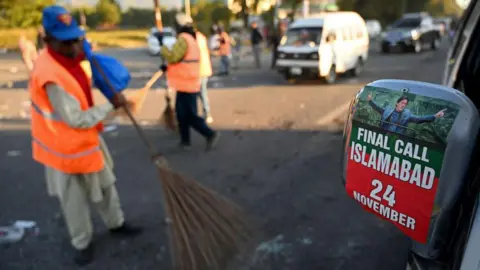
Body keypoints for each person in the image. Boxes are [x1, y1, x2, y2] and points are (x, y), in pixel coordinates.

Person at [29, 5, 142, 266]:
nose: (73, 47)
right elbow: (75, 118)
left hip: (87, 141)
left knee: (105, 185)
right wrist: (112, 105)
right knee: (75, 202)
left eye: (76, 39)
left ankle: (116, 224)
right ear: (48, 40)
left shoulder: (69, 58)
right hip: (62, 149)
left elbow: (85, 66)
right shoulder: (49, 74)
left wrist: (88, 54)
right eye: (66, 42)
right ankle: (83, 242)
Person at [157, 13, 219, 150]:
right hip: (187, 82)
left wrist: (162, 46)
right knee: (181, 113)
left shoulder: (183, 39)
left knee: (189, 115)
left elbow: (173, 56)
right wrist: (166, 66)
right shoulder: (192, 38)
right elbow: (182, 60)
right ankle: (185, 141)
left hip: (186, 83)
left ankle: (209, 134)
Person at [367, 93, 446, 135]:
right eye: (402, 103)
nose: (403, 105)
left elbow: (419, 119)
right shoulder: (388, 110)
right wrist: (370, 101)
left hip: (397, 139)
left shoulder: (407, 115)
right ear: (397, 103)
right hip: (382, 136)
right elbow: (377, 108)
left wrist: (435, 116)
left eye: (405, 104)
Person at [196, 30, 214, 123]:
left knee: (200, 93)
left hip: (199, 70)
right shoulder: (202, 38)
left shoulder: (195, 40)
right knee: (202, 92)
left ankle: (206, 113)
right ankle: (206, 113)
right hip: (204, 69)